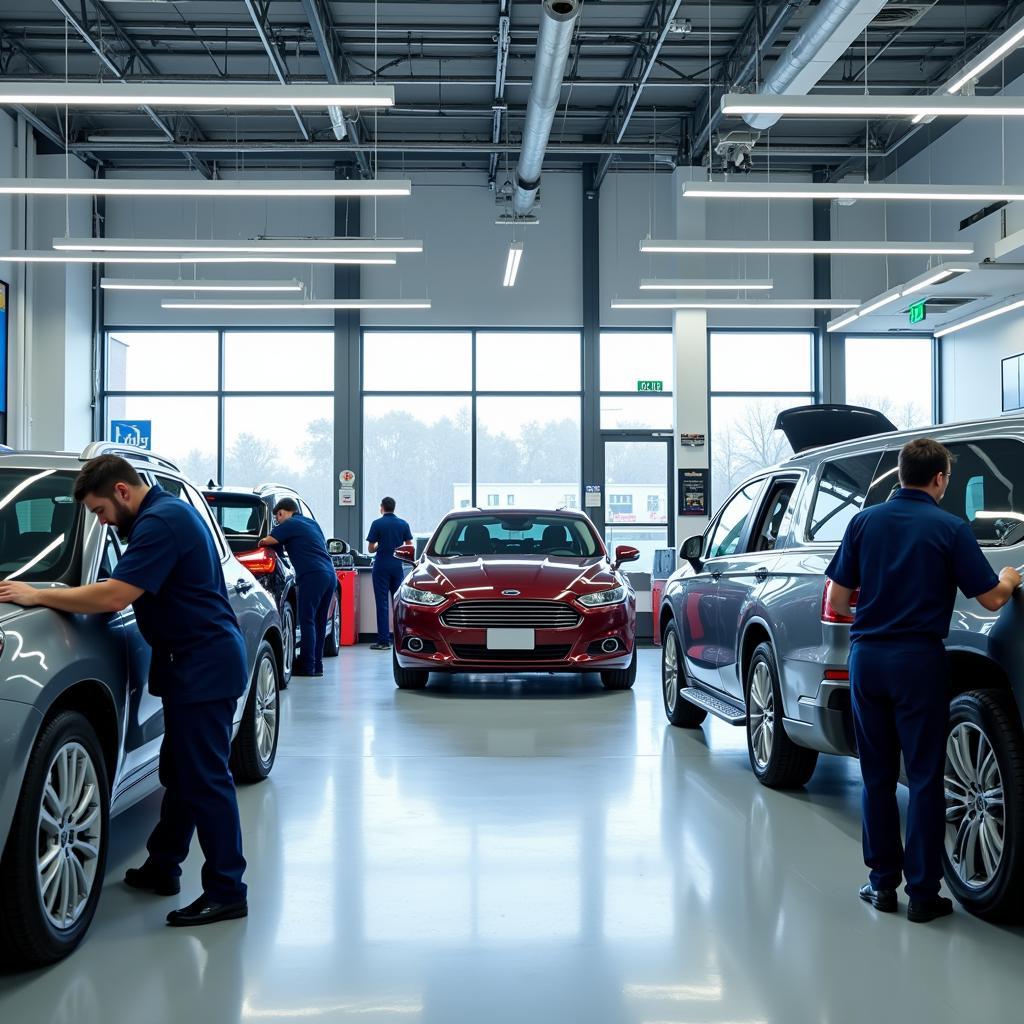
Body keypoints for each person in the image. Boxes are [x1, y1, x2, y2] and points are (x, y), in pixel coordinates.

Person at [0, 455, 250, 927]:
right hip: (191, 666)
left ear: (121, 491)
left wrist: (36, 594)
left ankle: (227, 890)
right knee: (181, 773)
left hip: (204, 668)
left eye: (99, 511)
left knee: (206, 781)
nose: (102, 521)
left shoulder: (161, 521)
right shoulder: (160, 516)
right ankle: (164, 866)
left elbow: (114, 595)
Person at [826, 438, 1020, 923]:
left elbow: (840, 598)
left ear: (899, 474)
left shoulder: (862, 522)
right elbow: (991, 600)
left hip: (868, 660)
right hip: (919, 662)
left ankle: (881, 886)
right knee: (926, 778)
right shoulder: (949, 528)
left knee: (875, 776)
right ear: (940, 479)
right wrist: (1013, 578)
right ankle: (924, 895)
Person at [258, 497, 336, 677]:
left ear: (285, 511)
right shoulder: (312, 523)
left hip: (312, 575)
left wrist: (261, 541)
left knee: (307, 619)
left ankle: (307, 666)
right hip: (329, 574)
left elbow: (267, 541)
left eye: (278, 515)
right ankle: (317, 666)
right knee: (319, 621)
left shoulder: (290, 523)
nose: (277, 519)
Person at [366, 496, 413, 650]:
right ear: (394, 507)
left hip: (381, 567)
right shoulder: (403, 524)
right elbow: (409, 546)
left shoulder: (377, 524)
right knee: (398, 604)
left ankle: (383, 641)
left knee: (382, 604)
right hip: (396, 567)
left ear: (382, 507)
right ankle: (399, 640)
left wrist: (381, 544)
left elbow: (370, 549)